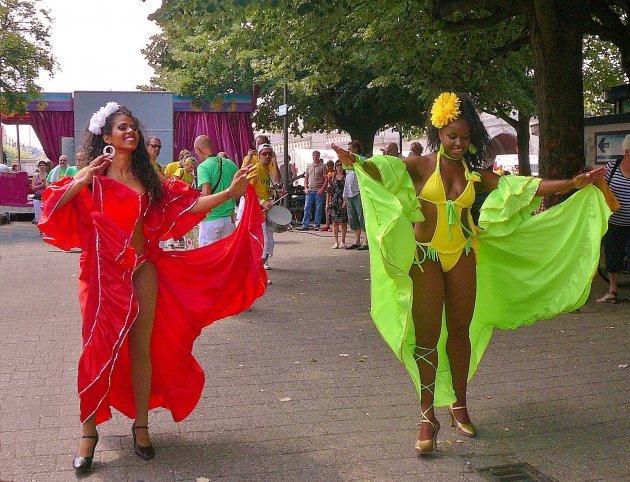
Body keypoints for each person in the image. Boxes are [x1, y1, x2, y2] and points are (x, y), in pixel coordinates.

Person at [332, 92, 608, 455]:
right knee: (427, 338)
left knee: (460, 333)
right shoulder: (418, 165)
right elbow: (380, 170)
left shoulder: (475, 175)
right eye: (452, 136)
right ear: (438, 133)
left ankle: (459, 403)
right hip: (424, 258)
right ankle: (427, 415)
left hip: (462, 254)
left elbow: (524, 186)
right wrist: (356, 162)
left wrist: (573, 184)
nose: (459, 143)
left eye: (465, 136)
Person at [38, 103, 266, 471]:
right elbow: (51, 209)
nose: (131, 132)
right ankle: (88, 431)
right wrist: (81, 180)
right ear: (105, 137)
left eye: (134, 127)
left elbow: (189, 207)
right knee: (96, 349)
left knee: (141, 348)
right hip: (101, 274)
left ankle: (141, 426)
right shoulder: (92, 176)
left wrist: (231, 193)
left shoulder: (149, 180)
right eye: (122, 127)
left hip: (144, 268)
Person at [597, 133, 630, 303]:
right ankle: (612, 291)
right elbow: (599, 184)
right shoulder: (613, 166)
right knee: (613, 255)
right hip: (615, 221)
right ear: (627, 152)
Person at [238, 143, 281, 270]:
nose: (267, 156)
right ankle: (256, 272)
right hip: (254, 212)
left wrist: (272, 194)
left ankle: (256, 271)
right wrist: (263, 202)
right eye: (264, 154)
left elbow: (272, 183)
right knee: (263, 244)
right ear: (259, 155)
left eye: (270, 154)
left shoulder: (267, 170)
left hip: (263, 212)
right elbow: (247, 192)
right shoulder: (255, 169)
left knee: (266, 243)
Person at [194, 135, 240, 246]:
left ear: (199, 149)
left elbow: (206, 194)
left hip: (211, 220)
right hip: (229, 220)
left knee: (207, 258)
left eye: (196, 151)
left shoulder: (203, 167)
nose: (196, 154)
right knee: (226, 258)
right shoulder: (231, 164)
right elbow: (240, 190)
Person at [343, 141, 368, 250]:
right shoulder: (348, 162)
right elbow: (347, 178)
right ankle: (356, 241)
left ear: (356, 149)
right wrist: (344, 194)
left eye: (350, 149)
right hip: (349, 193)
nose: (348, 151)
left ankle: (366, 241)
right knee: (352, 218)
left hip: (359, 192)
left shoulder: (362, 160)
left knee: (362, 217)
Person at [300, 150, 327, 230]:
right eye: (313, 155)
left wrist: (322, 189)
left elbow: (326, 179)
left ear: (319, 156)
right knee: (307, 207)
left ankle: (317, 225)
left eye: (316, 155)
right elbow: (306, 178)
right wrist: (305, 188)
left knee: (318, 208)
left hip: (319, 190)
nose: (314, 157)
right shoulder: (309, 166)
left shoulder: (323, 166)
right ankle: (305, 225)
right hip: (310, 190)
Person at [329, 161, 348, 248]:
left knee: (343, 222)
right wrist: (327, 202)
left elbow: (348, 190)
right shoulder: (333, 177)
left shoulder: (346, 177)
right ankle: (336, 242)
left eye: (341, 165)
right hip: (334, 200)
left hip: (343, 200)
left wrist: (346, 200)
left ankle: (343, 241)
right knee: (335, 222)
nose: (339, 167)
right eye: (337, 165)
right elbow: (329, 191)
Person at [321, 160, 335, 231]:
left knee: (332, 209)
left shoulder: (333, 173)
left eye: (327, 166)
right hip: (328, 191)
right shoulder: (328, 173)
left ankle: (333, 225)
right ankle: (327, 224)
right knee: (327, 208)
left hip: (333, 192)